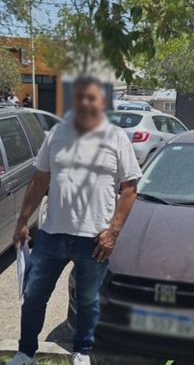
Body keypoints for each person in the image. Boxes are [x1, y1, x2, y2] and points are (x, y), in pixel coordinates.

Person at [7, 76, 142, 365]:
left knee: (87, 301)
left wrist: (113, 232)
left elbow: (130, 189)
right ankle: (26, 352)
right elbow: (39, 180)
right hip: (51, 234)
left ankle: (82, 351)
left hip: (95, 239)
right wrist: (22, 221)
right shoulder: (56, 134)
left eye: (91, 98)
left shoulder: (116, 137)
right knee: (33, 296)